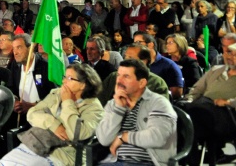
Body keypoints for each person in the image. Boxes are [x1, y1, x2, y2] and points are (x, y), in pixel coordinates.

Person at [0, 63, 104, 166]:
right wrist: (54, 125)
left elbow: (77, 134)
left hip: (63, 154)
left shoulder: (94, 108)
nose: (63, 81)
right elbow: (32, 113)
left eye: (70, 78)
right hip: (36, 144)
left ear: (82, 85)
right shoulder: (57, 93)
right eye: (64, 77)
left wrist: (67, 102)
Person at [96, 59, 177, 166]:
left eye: (126, 76)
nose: (119, 81)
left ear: (142, 83)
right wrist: (119, 109)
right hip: (115, 161)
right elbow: (104, 139)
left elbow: (157, 137)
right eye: (118, 75)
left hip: (148, 162)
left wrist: (123, 137)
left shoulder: (158, 103)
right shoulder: (113, 104)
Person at [183, 33, 236, 166]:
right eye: (228, 53)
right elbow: (197, 90)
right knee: (183, 111)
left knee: (190, 120)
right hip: (203, 110)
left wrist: (229, 102)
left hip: (228, 114)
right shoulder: (215, 70)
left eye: (235, 54)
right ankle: (191, 157)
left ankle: (189, 156)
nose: (230, 57)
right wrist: (189, 100)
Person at [7, 34, 56, 126]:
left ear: (30, 48)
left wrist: (33, 106)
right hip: (20, 116)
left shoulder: (46, 67)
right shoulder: (15, 65)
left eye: (19, 48)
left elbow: (54, 96)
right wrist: (15, 101)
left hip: (42, 117)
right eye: (14, 48)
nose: (15, 52)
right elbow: (10, 87)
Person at [133, 31, 184, 100]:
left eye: (139, 42)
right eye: (134, 43)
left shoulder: (169, 65)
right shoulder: (135, 65)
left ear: (150, 45)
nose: (135, 46)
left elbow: (176, 94)